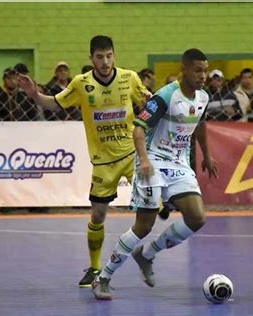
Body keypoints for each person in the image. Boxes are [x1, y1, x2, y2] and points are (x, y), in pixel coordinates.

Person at [17, 35, 150, 287]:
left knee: (153, 206)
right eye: (99, 57)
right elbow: (55, 105)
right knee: (98, 215)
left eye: (109, 55)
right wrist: (34, 93)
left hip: (133, 155)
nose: (105, 61)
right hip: (103, 163)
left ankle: (146, 253)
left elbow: (150, 103)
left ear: (115, 55)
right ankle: (94, 268)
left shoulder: (129, 78)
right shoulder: (81, 84)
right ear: (91, 59)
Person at [91, 48, 218, 300]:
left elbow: (200, 124)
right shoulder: (165, 97)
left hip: (179, 163)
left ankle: (147, 254)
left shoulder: (202, 97)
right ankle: (103, 278)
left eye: (205, 71)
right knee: (144, 226)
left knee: (197, 218)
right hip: (154, 162)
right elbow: (138, 130)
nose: (203, 76)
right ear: (184, 69)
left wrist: (207, 154)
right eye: (197, 70)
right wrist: (145, 161)